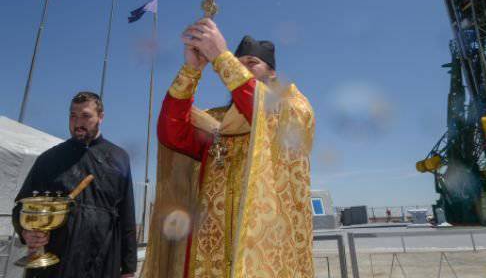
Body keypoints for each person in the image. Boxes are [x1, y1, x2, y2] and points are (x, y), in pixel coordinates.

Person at [141, 18, 315, 278]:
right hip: (209, 254)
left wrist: (222, 58)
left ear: (272, 72)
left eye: (251, 63)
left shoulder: (293, 108)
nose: (242, 68)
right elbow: (172, 133)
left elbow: (264, 110)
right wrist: (191, 71)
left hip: (264, 256)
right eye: (239, 62)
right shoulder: (219, 121)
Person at [12, 91, 137, 278]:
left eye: (86, 116)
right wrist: (25, 231)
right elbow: (21, 207)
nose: (78, 123)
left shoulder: (119, 159)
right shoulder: (48, 159)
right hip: (54, 265)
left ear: (100, 117)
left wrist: (128, 268)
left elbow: (127, 216)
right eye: (73, 116)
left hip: (101, 263)